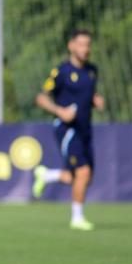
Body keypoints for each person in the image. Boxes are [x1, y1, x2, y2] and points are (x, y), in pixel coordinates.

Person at [32, 29, 105, 231]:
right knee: (83, 172)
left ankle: (47, 176)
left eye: (88, 44)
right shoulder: (61, 72)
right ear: (71, 46)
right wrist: (59, 111)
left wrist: (95, 100)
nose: (85, 49)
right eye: (81, 44)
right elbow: (41, 98)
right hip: (67, 129)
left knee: (84, 178)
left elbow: (87, 96)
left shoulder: (92, 71)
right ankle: (77, 218)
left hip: (85, 128)